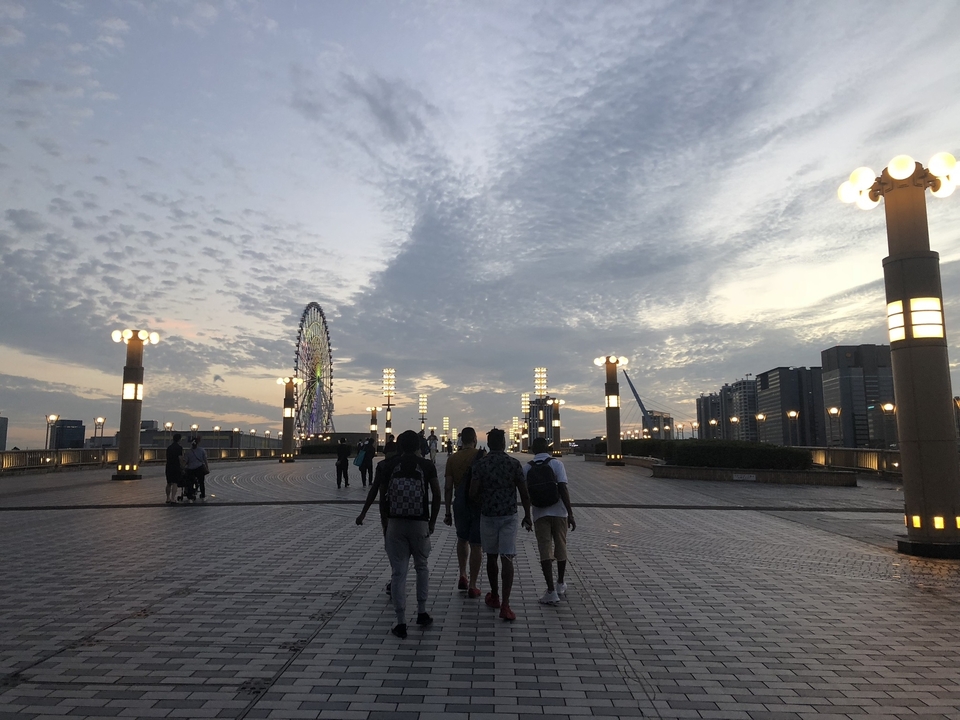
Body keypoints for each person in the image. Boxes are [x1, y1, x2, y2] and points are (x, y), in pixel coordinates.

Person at [356, 429, 441, 639]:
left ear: (399, 446)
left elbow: (380, 495)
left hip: (395, 523)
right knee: (422, 567)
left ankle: (401, 621)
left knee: (398, 572)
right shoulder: (427, 465)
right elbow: (437, 495)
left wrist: (374, 518)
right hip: (419, 522)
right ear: (419, 446)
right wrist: (432, 522)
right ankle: (422, 612)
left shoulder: (387, 465)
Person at [469, 427, 532, 621]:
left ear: (488, 444)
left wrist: (483, 501)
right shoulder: (513, 464)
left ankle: (494, 595)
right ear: (503, 443)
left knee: (491, 557)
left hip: (488, 515)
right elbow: (524, 491)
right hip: (509, 515)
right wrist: (527, 515)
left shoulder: (481, 465)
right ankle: (506, 604)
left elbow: (472, 493)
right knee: (507, 558)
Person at [523, 437, 576, 605]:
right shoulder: (557, 464)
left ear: (532, 450)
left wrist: (527, 515)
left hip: (539, 513)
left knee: (545, 550)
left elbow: (525, 495)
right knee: (561, 546)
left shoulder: (527, 468)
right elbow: (563, 488)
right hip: (559, 512)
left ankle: (550, 591)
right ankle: (560, 583)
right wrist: (570, 513)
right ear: (548, 448)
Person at [443, 427, 484, 598]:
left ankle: (462, 574)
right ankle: (473, 584)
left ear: (461, 440)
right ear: (475, 438)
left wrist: (447, 512)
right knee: (476, 544)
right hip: (477, 504)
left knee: (462, 539)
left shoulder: (453, 458)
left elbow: (447, 487)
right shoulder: (482, 456)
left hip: (459, 503)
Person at [183, 436, 209, 501]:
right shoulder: (202, 450)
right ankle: (203, 495)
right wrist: (207, 468)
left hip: (190, 470)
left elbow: (185, 461)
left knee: (190, 483)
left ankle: (190, 496)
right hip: (199, 468)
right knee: (201, 482)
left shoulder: (188, 452)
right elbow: (205, 460)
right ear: (197, 443)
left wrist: (183, 468)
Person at [164, 433, 184, 504]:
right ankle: (173, 498)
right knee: (175, 483)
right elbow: (180, 458)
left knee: (169, 483)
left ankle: (167, 498)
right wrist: (183, 466)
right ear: (179, 439)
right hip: (176, 466)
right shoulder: (179, 448)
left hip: (169, 466)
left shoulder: (169, 447)